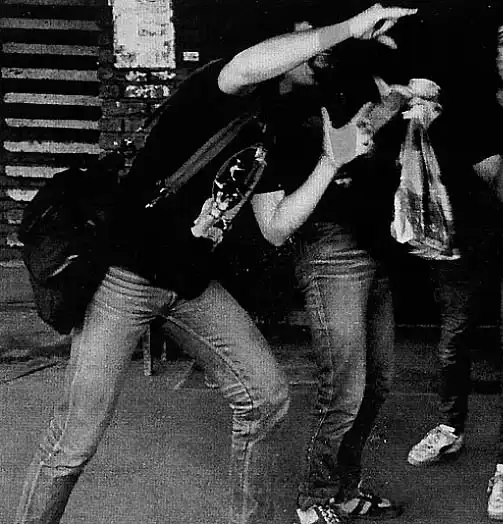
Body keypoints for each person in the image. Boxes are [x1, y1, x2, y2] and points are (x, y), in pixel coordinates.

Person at [14, 5, 416, 524]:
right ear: (276, 39)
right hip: (126, 280)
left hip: (191, 285)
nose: (322, 51)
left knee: (265, 398)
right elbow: (253, 64)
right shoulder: (219, 85)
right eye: (308, 37)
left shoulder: (276, 121)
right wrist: (346, 28)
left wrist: (330, 162)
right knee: (74, 442)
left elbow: (275, 226)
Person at [249, 9, 418, 524]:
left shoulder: (336, 89)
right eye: (302, 44)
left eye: (319, 41)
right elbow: (275, 226)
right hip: (329, 251)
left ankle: (345, 488)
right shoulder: (267, 119)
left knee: (377, 383)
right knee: (345, 388)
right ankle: (315, 498)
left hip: (373, 244)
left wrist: (400, 104)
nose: (316, 51)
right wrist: (334, 162)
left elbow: (361, 139)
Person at [405, 9, 503, 521]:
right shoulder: (467, 110)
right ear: (490, 54)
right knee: (454, 337)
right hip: (469, 238)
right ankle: (450, 427)